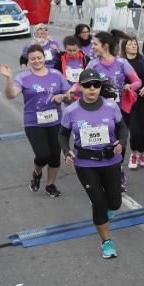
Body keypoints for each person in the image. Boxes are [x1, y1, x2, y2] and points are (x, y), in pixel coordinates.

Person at [59, 69, 128, 259]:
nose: (92, 89)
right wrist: (67, 151)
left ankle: (110, 205)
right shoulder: (71, 111)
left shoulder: (111, 107)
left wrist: (121, 144)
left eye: (95, 85)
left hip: (110, 160)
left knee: (114, 203)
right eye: (87, 85)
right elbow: (62, 135)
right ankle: (106, 242)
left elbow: (123, 128)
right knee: (98, 203)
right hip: (85, 163)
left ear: (100, 87)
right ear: (80, 87)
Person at [0, 45, 71, 197]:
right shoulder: (23, 77)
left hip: (56, 122)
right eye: (32, 59)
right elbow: (11, 95)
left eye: (39, 57)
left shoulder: (56, 74)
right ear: (29, 61)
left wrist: (63, 96)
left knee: (55, 156)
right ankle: (37, 172)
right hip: (33, 122)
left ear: (44, 57)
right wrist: (9, 78)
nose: (36, 61)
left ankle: (50, 185)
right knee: (43, 154)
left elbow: (69, 94)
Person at [120, 34, 144, 170]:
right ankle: (133, 154)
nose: (133, 46)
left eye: (135, 43)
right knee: (135, 131)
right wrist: (125, 87)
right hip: (129, 102)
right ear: (124, 47)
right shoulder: (121, 62)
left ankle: (141, 154)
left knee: (143, 132)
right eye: (130, 44)